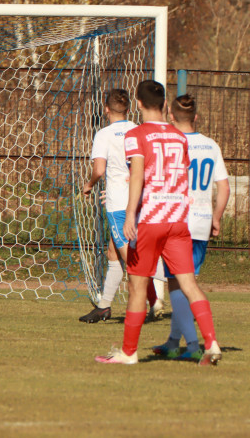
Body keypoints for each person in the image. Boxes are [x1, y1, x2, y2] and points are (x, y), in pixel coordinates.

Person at [95, 80, 221, 366]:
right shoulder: (179, 137)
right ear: (165, 104)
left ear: (138, 104)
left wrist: (129, 215)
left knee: (138, 287)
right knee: (188, 283)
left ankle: (128, 352)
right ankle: (211, 342)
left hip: (150, 220)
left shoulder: (137, 134)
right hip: (178, 220)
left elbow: (138, 175)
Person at [152, 94, 230, 361]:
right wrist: (216, 217)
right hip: (201, 221)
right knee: (182, 283)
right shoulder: (211, 146)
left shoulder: (172, 143)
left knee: (180, 285)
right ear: (196, 117)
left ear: (171, 117)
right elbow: (224, 186)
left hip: (178, 220)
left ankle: (198, 345)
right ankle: (174, 342)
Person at [79, 89, 133, 323]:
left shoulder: (103, 134)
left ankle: (177, 292)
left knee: (133, 263)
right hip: (139, 199)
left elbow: (99, 170)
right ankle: (104, 307)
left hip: (119, 203)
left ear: (106, 109)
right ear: (129, 109)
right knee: (113, 253)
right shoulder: (138, 130)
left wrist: (89, 184)